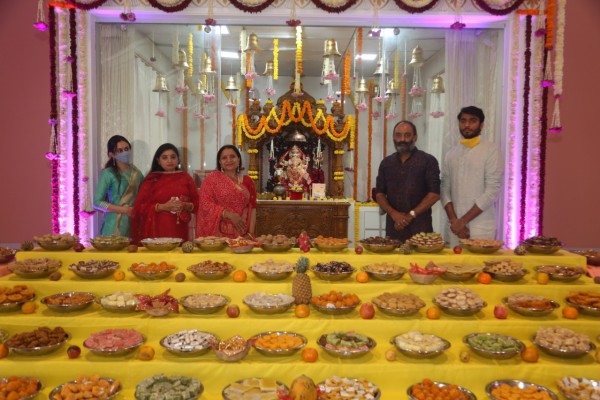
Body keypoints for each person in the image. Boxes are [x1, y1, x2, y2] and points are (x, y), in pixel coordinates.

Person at [441, 106, 504, 246]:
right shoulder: (451, 154)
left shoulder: (491, 150)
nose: (467, 125)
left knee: (479, 267)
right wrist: (454, 221)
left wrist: (462, 221)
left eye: (472, 121)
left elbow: (492, 191)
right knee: (452, 266)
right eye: (463, 121)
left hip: (480, 226)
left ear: (481, 125)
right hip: (454, 228)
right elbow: (445, 188)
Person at [375, 121, 441, 242]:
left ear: (415, 137)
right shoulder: (386, 163)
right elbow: (379, 194)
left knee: (419, 261)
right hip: (394, 229)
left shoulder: (428, 161)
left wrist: (409, 216)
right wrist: (394, 214)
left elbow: (434, 194)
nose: (402, 139)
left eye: (407, 135)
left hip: (420, 230)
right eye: (398, 135)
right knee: (393, 261)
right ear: (393, 137)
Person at [130, 143, 198, 244]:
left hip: (180, 228)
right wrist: (162, 207)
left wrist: (185, 205)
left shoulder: (186, 178)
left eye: (173, 157)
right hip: (157, 229)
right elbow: (139, 207)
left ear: (178, 159)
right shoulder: (152, 179)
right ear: (158, 160)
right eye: (165, 157)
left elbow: (197, 203)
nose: (169, 161)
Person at [196, 145, 257, 239]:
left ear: (238, 159)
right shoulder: (211, 180)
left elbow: (252, 208)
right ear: (220, 162)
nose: (229, 160)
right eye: (224, 158)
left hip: (242, 233)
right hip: (217, 235)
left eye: (232, 156)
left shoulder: (247, 181)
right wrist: (228, 214)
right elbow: (205, 204)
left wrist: (250, 233)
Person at [94, 135, 144, 237]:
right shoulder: (108, 173)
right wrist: (124, 210)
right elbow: (97, 203)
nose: (124, 152)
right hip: (113, 224)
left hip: (133, 222)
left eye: (126, 149)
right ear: (111, 154)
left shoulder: (136, 173)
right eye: (119, 151)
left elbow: (143, 196)